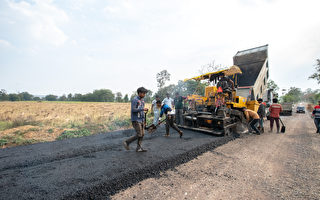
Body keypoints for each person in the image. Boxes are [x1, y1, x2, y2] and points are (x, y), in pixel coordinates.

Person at [123, 87, 149, 152]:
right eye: (143, 93)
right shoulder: (135, 100)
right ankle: (127, 142)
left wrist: (144, 120)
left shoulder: (142, 100)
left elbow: (142, 111)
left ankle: (139, 148)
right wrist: (143, 109)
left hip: (141, 119)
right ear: (139, 93)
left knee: (142, 134)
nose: (144, 95)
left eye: (145, 93)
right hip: (136, 120)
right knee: (139, 134)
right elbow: (133, 110)